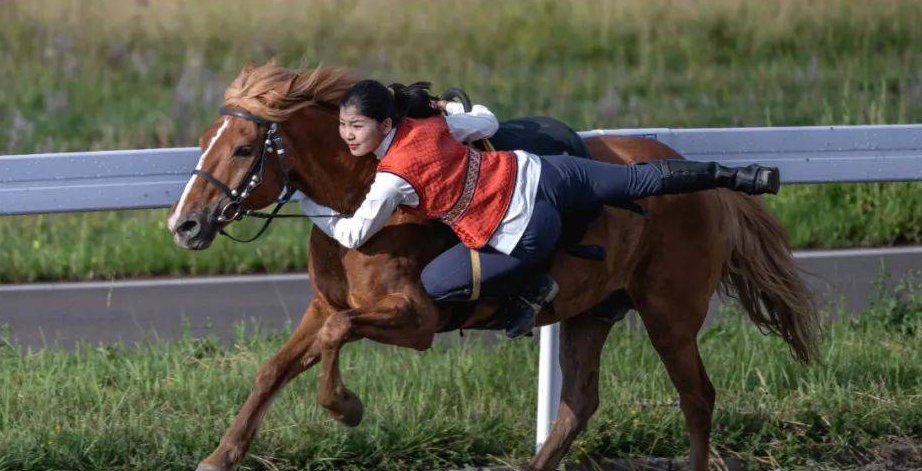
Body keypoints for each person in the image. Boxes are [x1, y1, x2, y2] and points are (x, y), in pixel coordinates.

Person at [292, 80, 779, 338]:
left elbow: (354, 235)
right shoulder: (433, 125)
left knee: (437, 284)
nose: (347, 136)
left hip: (522, 230)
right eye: (342, 126)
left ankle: (530, 291)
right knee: (639, 178)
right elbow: (487, 119)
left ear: (382, 123)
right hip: (546, 173)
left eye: (355, 127)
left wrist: (307, 202)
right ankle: (740, 178)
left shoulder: (392, 178)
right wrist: (449, 111)